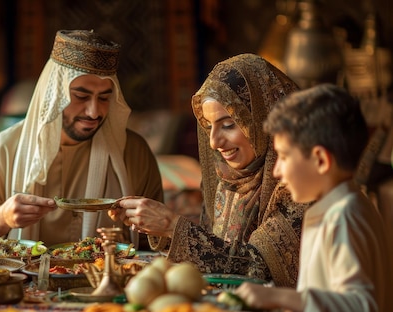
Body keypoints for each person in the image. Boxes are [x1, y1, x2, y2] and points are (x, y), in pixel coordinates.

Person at [0, 30, 163, 250]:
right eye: (81, 97)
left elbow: (157, 245)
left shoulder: (133, 152)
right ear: (55, 94)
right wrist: (0, 218)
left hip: (108, 283)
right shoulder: (4, 150)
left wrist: (154, 227)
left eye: (104, 98)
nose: (94, 112)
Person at [109, 54, 309, 287]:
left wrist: (172, 226)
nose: (214, 142)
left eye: (227, 125)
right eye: (209, 126)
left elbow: (260, 269)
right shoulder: (225, 177)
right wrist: (163, 230)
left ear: (263, 118)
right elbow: (213, 248)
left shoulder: (299, 183)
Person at [234, 84, 392, 312]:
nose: (277, 171)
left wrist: (279, 297)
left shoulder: (345, 214)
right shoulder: (332, 207)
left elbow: (363, 307)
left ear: (320, 160)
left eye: (284, 157)